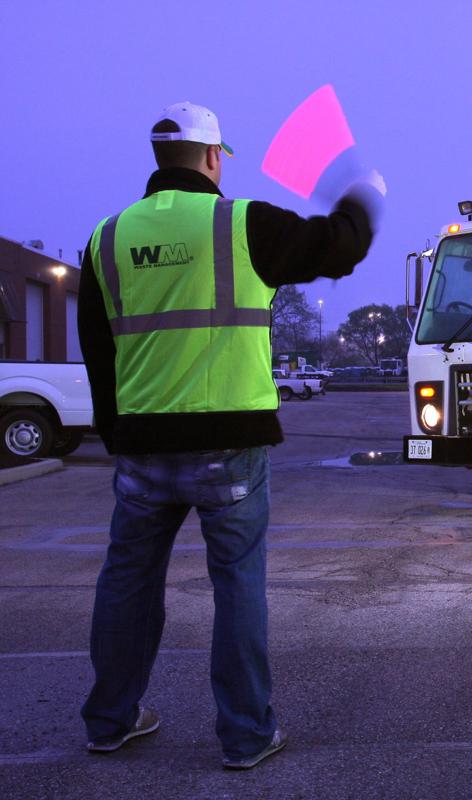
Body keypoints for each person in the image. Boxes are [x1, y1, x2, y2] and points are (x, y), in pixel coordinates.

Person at [77, 101, 384, 769]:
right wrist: (363, 196)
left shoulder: (105, 239)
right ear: (214, 158)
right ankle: (246, 735)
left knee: (127, 582)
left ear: (160, 161)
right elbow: (341, 245)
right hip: (229, 447)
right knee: (237, 584)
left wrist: (116, 434)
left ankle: (108, 721)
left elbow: (98, 355)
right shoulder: (243, 224)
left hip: (142, 446)